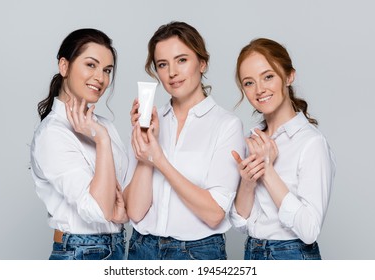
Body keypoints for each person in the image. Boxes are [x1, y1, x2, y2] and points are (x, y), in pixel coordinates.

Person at [124, 21, 245, 260]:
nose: (172, 73)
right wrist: (146, 154)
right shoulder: (151, 121)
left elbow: (214, 214)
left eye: (182, 60)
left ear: (202, 63)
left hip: (196, 253)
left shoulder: (226, 125)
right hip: (142, 249)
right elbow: (136, 212)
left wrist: (159, 159)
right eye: (162, 64)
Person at [230, 38, 336, 260]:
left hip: (292, 255)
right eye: (248, 83)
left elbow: (309, 230)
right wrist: (248, 182)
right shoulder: (252, 140)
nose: (259, 90)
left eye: (268, 76)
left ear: (289, 76)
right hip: (252, 252)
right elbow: (240, 222)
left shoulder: (311, 142)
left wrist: (267, 171)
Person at [30, 28, 128, 260]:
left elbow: (125, 195)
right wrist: (101, 140)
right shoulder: (53, 134)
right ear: (64, 66)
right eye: (91, 65)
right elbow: (100, 209)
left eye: (107, 70)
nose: (101, 78)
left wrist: (123, 215)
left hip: (118, 248)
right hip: (79, 252)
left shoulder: (104, 126)